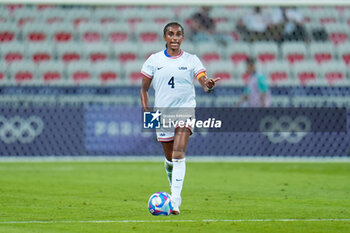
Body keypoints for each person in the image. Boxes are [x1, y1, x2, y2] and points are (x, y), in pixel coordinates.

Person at [140, 22, 220, 215]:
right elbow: (144, 89)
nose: (174, 37)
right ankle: (171, 181)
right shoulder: (154, 60)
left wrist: (208, 84)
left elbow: (203, 82)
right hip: (162, 113)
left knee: (178, 154)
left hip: (185, 110)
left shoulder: (192, 60)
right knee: (169, 159)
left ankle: (175, 201)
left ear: (182, 38)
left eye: (178, 34)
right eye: (170, 34)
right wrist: (146, 110)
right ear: (165, 37)